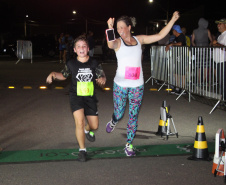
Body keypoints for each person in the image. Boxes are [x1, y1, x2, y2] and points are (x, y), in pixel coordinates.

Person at [105, 11, 180, 156]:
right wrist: (109, 28)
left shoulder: (140, 40)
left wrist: (172, 20)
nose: (120, 31)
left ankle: (129, 144)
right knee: (119, 113)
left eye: (122, 27)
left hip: (137, 86)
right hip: (120, 85)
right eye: (117, 28)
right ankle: (113, 121)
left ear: (129, 27)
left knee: (133, 115)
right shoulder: (118, 42)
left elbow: (159, 36)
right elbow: (110, 44)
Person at [46, 35, 106, 162]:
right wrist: (53, 74)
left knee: (94, 126)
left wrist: (102, 80)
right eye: (78, 46)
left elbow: (103, 76)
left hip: (90, 98)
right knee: (79, 122)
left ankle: (87, 130)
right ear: (74, 50)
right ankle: (82, 150)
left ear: (88, 48)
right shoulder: (71, 63)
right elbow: (63, 75)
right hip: (76, 96)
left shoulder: (95, 63)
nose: (81, 48)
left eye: (84, 46)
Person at [165, 25, 186, 95]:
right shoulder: (176, 37)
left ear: (175, 31)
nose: (172, 32)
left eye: (173, 30)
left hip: (182, 56)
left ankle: (182, 88)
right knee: (176, 72)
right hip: (177, 56)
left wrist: (171, 44)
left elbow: (180, 44)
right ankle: (177, 87)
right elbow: (172, 44)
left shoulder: (181, 36)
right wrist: (168, 45)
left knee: (182, 73)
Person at [191, 18, 213, 85]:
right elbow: (211, 40)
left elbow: (192, 41)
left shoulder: (194, 31)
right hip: (205, 49)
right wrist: (208, 46)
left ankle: (199, 82)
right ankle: (203, 81)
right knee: (205, 66)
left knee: (199, 66)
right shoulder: (207, 30)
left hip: (198, 50)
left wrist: (195, 46)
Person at [213, 18, 226, 101]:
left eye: (220, 24)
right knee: (220, 81)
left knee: (223, 81)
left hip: (223, 61)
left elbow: (224, 47)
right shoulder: (220, 35)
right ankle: (222, 98)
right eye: (218, 24)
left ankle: (224, 99)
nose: (218, 25)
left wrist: (216, 44)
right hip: (218, 61)